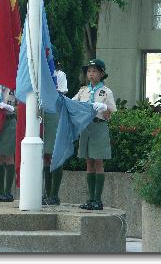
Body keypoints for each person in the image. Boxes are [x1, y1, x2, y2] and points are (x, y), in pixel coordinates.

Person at [72, 58, 116, 210]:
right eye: (89, 71)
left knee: (98, 161)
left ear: (101, 73)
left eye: (94, 71)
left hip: (99, 127)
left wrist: (104, 107)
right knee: (88, 161)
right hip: (86, 127)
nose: (91, 74)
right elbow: (73, 103)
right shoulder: (83, 91)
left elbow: (111, 113)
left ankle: (98, 199)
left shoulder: (106, 92)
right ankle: (90, 198)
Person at [42, 59, 68, 206]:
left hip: (54, 113)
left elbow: (62, 93)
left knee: (54, 155)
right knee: (45, 156)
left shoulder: (59, 74)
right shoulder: (40, 75)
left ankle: (54, 194)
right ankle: (47, 193)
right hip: (42, 115)